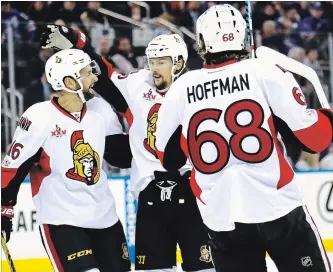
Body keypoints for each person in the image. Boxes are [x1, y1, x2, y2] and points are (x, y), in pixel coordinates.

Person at [154, 4, 333, 272]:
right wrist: (327, 117)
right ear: (242, 37)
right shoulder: (264, 72)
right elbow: (315, 140)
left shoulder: (180, 89)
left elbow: (168, 159)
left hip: (222, 219)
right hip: (279, 209)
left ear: (202, 41)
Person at [41, 25, 215, 272]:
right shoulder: (137, 85)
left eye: (161, 61)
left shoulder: (197, 88)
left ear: (178, 63)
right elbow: (100, 76)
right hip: (151, 196)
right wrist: (79, 45)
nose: (154, 68)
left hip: (194, 193)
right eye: (151, 61)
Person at [1, 49, 132, 272]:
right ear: (70, 82)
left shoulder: (100, 110)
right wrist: (5, 209)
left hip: (105, 218)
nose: (94, 78)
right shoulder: (39, 117)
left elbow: (121, 158)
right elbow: (12, 169)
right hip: (62, 220)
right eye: (87, 73)